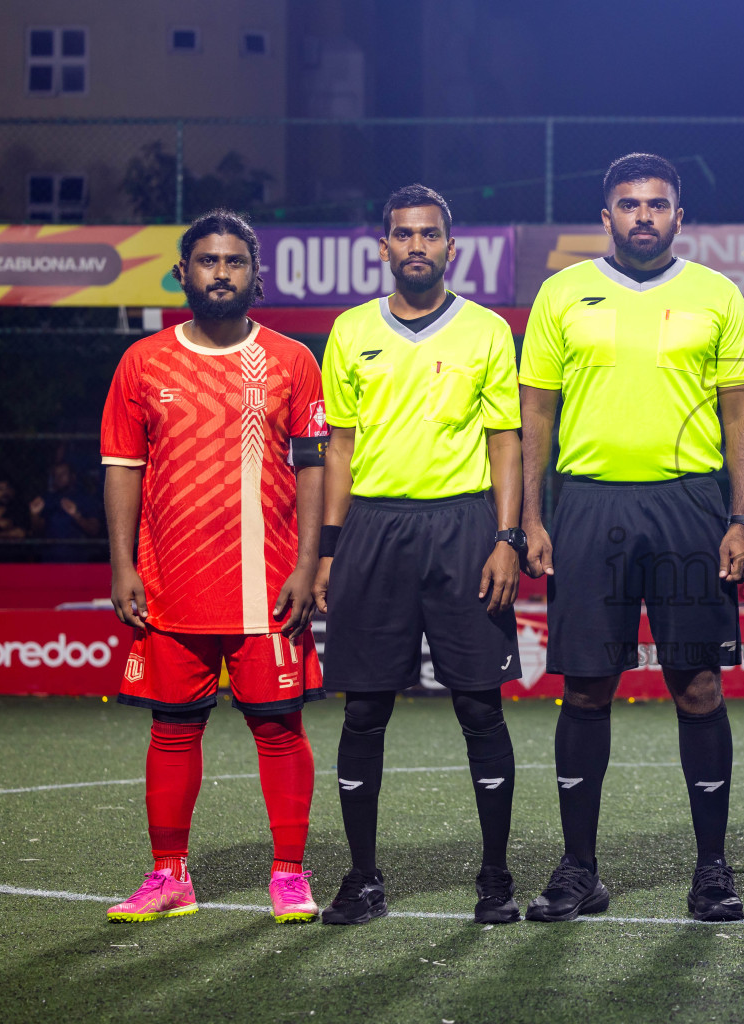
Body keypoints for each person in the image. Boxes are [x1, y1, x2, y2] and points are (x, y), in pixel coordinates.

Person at [519, 153, 744, 922]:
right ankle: (578, 869)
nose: (644, 216)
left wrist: (738, 517)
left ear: (680, 218)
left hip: (691, 505)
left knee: (697, 685)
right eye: (629, 204)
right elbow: (535, 419)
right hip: (589, 505)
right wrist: (530, 516)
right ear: (607, 216)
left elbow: (741, 420)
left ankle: (713, 871)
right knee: (586, 687)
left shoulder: (718, 294)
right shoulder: (562, 294)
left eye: (658, 204)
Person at [100, 210, 326, 925]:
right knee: (172, 727)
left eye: (234, 261)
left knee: (279, 727)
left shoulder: (291, 360)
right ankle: (169, 876)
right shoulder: (143, 362)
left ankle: (289, 874)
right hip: (169, 582)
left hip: (268, 583)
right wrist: (122, 565)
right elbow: (121, 468)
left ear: (255, 275)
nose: (221, 272)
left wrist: (310, 562)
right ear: (183, 273)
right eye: (207, 261)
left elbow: (315, 467)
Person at [314, 185, 526, 926]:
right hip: (374, 527)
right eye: (402, 235)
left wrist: (506, 537)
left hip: (464, 526)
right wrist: (330, 552)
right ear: (383, 247)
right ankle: (364, 878)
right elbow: (338, 447)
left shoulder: (488, 331)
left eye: (429, 235)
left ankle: (495, 877)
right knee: (365, 707)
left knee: (478, 704)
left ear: (449, 248)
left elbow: (506, 441)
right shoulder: (348, 331)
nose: (415, 247)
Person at [29, 460, 103, 561]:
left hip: (78, 558)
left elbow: (94, 531)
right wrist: (34, 515)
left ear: (72, 476)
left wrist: (76, 515)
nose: (58, 478)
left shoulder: (86, 499)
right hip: (50, 558)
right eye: (56, 474)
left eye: (63, 474)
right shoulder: (47, 499)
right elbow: (37, 532)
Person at [0, 476, 29, 544]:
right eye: (0, 489)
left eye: (8, 488)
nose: (5, 493)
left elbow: (20, 533)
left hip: (12, 553)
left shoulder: (19, 510)